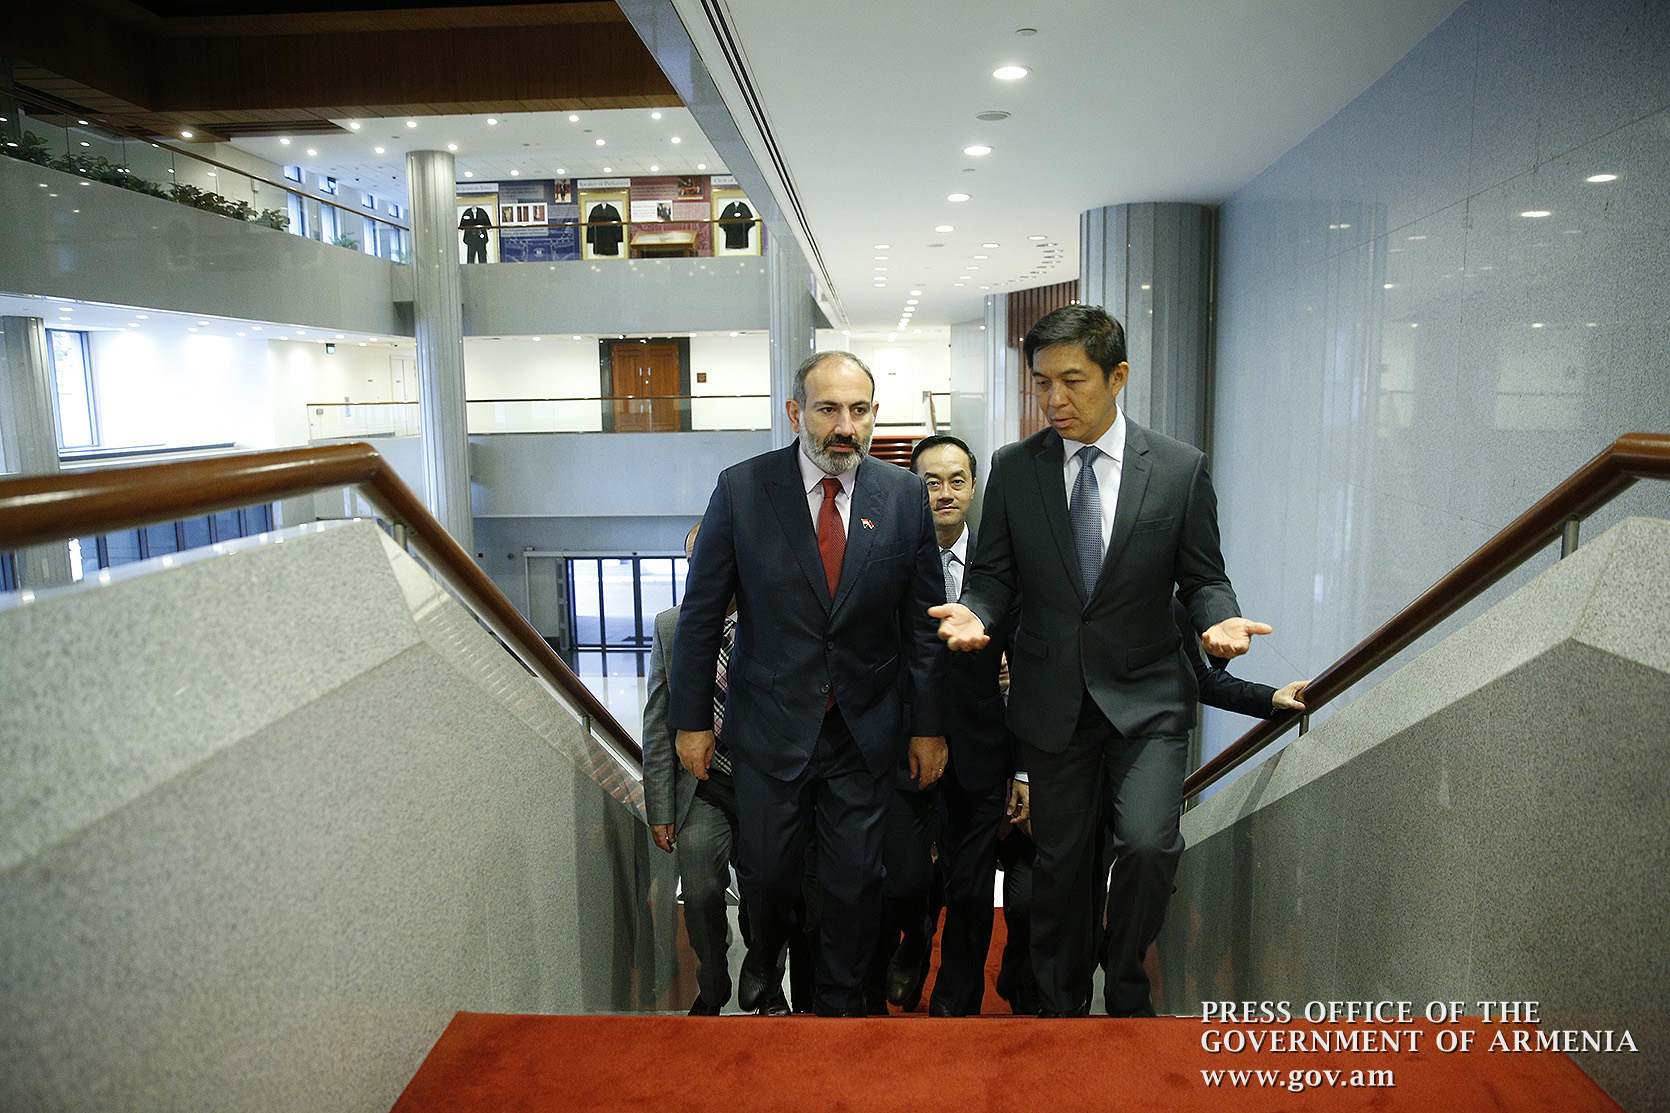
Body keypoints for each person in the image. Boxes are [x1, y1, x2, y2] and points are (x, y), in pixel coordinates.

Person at [934, 303, 1273, 1018]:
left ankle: (1125, 980)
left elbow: (1203, 576)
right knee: (1060, 867)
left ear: (1117, 376)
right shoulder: (1015, 469)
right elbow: (993, 578)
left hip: (1147, 698)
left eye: (1073, 381)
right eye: (1041, 383)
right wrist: (978, 613)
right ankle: (1061, 1010)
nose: (1054, 399)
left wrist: (1218, 619)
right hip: (1053, 700)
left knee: (1148, 846)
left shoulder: (1177, 468)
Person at [669, 351, 949, 1017]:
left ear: (874, 415)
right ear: (796, 413)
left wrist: (928, 727)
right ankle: (765, 967)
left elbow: (922, 624)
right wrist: (691, 721)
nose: (844, 426)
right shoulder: (742, 489)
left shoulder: (903, 495)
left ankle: (843, 1010)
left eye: (858, 410)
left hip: (863, 729)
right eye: (828, 409)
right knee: (767, 876)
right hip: (769, 727)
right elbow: (701, 614)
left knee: (856, 881)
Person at [995, 608, 1306, 1013]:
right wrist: (1025, 771)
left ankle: (1121, 970)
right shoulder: (1055, 587)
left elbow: (1198, 678)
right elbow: (1032, 684)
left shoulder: (1169, 600)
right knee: (1058, 894)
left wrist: (1268, 697)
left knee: (1149, 855)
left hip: (1140, 767)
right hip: (1067, 762)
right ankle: (1057, 1003)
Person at [873, 435, 1023, 1016]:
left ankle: (956, 1006)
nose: (944, 493)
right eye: (931, 482)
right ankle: (914, 939)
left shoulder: (1001, 564)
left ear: (974, 486)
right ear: (914, 490)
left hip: (981, 744)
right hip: (906, 743)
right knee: (904, 879)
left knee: (971, 887)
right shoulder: (888, 559)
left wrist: (1023, 764)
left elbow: (1028, 658)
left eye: (957, 480)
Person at [644, 524, 792, 1014]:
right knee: (702, 892)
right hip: (704, 787)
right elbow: (658, 723)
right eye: (697, 561)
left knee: (766, 892)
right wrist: (660, 807)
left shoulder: (774, 620)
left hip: (764, 785)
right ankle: (712, 987)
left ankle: (768, 985)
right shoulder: (671, 626)